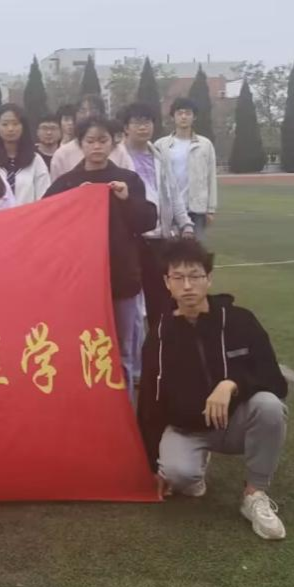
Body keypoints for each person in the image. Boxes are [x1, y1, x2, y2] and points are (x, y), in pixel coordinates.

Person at [139, 239, 289, 541]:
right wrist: (153, 464)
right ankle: (193, 469)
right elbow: (149, 401)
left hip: (234, 423)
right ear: (167, 283)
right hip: (187, 429)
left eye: (195, 276)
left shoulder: (240, 321)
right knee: (179, 476)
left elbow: (275, 380)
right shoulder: (160, 333)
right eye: (178, 277)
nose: (187, 286)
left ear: (209, 278)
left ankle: (255, 494)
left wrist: (231, 384)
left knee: (270, 406)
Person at [46, 118, 157, 404]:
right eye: (90, 141)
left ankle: (125, 414)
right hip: (80, 281)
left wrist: (126, 199)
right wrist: (73, 201)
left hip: (121, 277)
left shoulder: (128, 180)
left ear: (113, 142)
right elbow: (46, 223)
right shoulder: (67, 182)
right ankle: (89, 411)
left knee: (123, 352)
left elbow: (147, 221)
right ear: (80, 144)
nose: (96, 146)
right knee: (81, 349)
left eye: (103, 140)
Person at [122, 104, 193, 332]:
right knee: (131, 303)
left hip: (161, 238)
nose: (143, 127)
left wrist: (185, 224)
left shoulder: (159, 156)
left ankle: (160, 344)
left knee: (161, 299)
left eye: (147, 122)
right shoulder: (118, 158)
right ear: (126, 128)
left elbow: (173, 193)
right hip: (132, 239)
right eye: (137, 123)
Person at [156, 97, 219, 237]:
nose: (183, 117)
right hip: (169, 209)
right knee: (169, 249)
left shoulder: (205, 145)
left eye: (188, 113)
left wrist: (211, 209)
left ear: (194, 117)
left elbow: (211, 177)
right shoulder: (161, 145)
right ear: (173, 117)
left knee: (194, 250)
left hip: (196, 210)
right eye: (179, 113)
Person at [48, 95, 133, 179]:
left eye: (93, 110)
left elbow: (130, 180)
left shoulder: (119, 151)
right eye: (82, 111)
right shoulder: (62, 154)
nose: (88, 115)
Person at [0, 103, 51, 204]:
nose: (10, 129)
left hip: (30, 213)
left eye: (15, 124)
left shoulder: (36, 161)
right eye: (5, 124)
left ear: (23, 127)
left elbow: (44, 198)